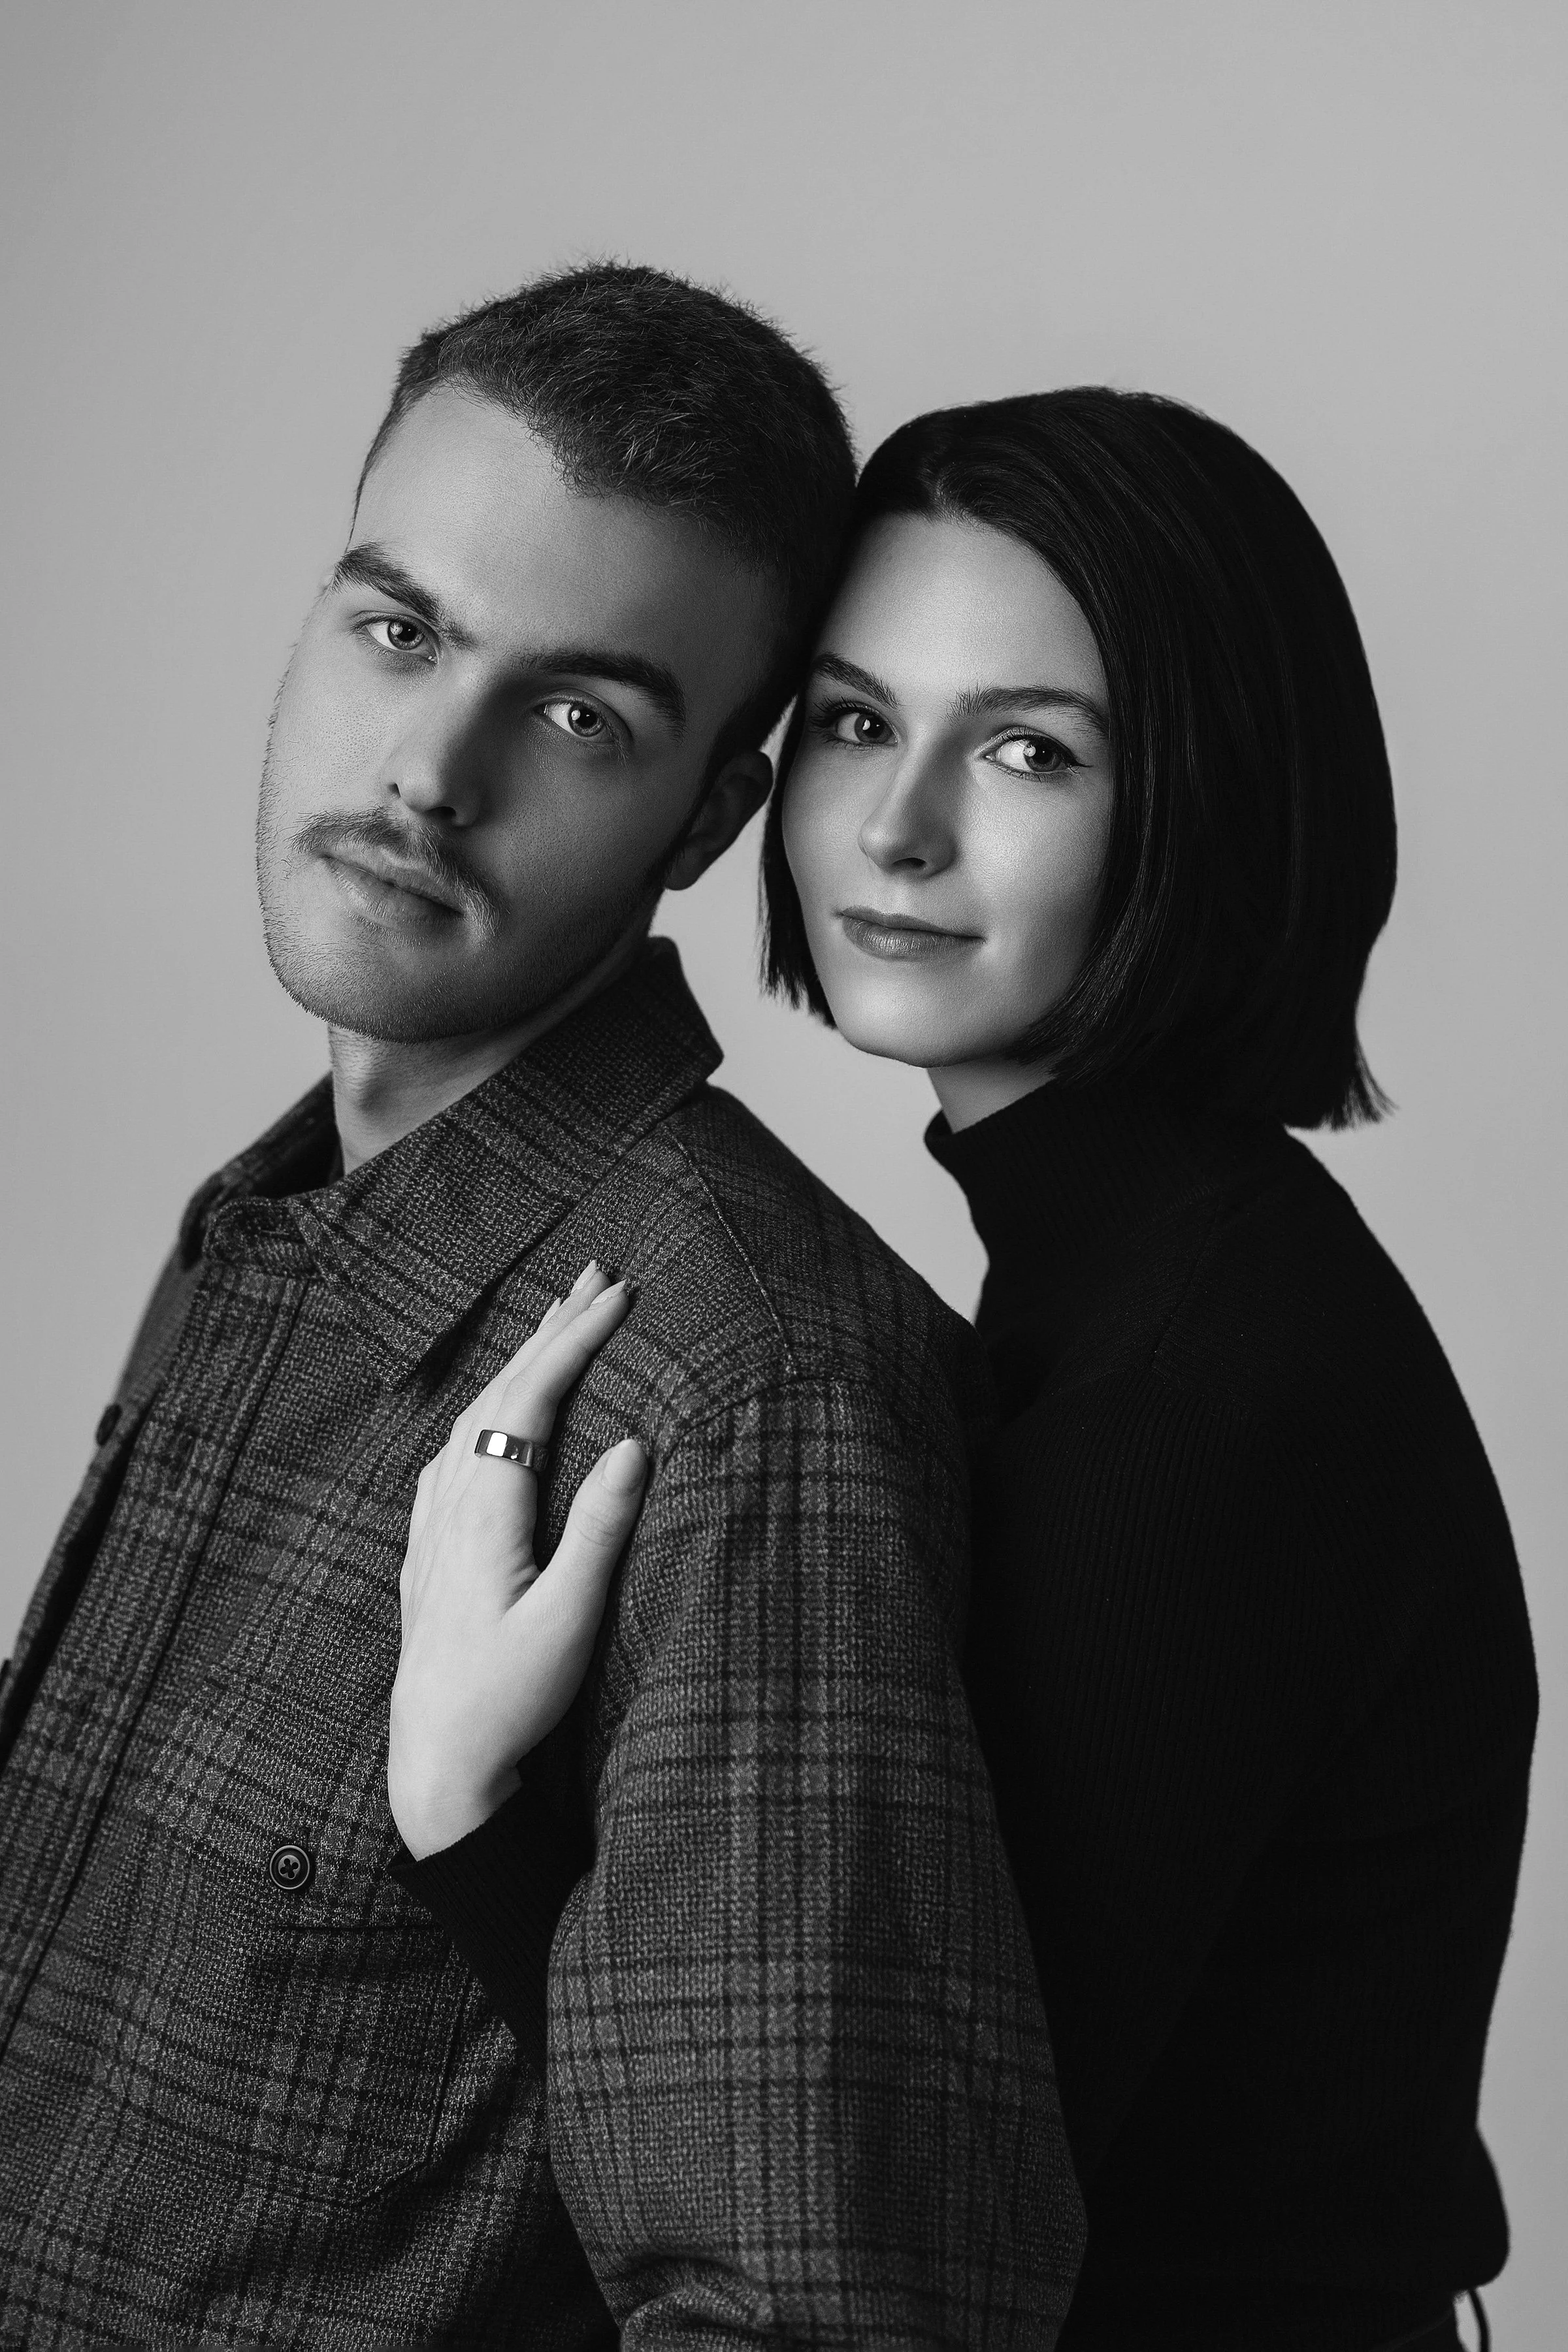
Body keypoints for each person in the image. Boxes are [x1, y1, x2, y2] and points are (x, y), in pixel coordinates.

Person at [0, 269, 1085, 2346]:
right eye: (400, 632)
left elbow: (826, 2315)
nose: (430, 771)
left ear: (710, 819)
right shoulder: (267, 1222)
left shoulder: (740, 1380)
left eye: (581, 715)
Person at [455, 387, 1535, 2351]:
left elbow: (876, 2163)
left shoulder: (1203, 1383)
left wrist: (468, 1799)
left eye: (1028, 749)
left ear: (1206, 801)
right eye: (856, 721)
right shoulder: (1159, 1277)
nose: (896, 827)